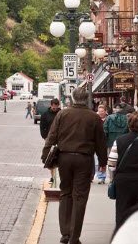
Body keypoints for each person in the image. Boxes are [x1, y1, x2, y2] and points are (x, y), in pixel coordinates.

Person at [42, 88, 106, 244]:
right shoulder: (94, 117)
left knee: (65, 193)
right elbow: (100, 142)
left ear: (72, 98)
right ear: (86, 99)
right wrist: (103, 162)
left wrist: (45, 157)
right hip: (84, 159)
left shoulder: (62, 114)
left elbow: (51, 136)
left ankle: (65, 233)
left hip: (65, 158)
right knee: (80, 197)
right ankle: (74, 236)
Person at [108, 111, 138, 231]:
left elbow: (111, 165)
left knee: (122, 212)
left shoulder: (119, 140)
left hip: (123, 181)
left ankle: (123, 234)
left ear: (129, 125)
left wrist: (113, 178)